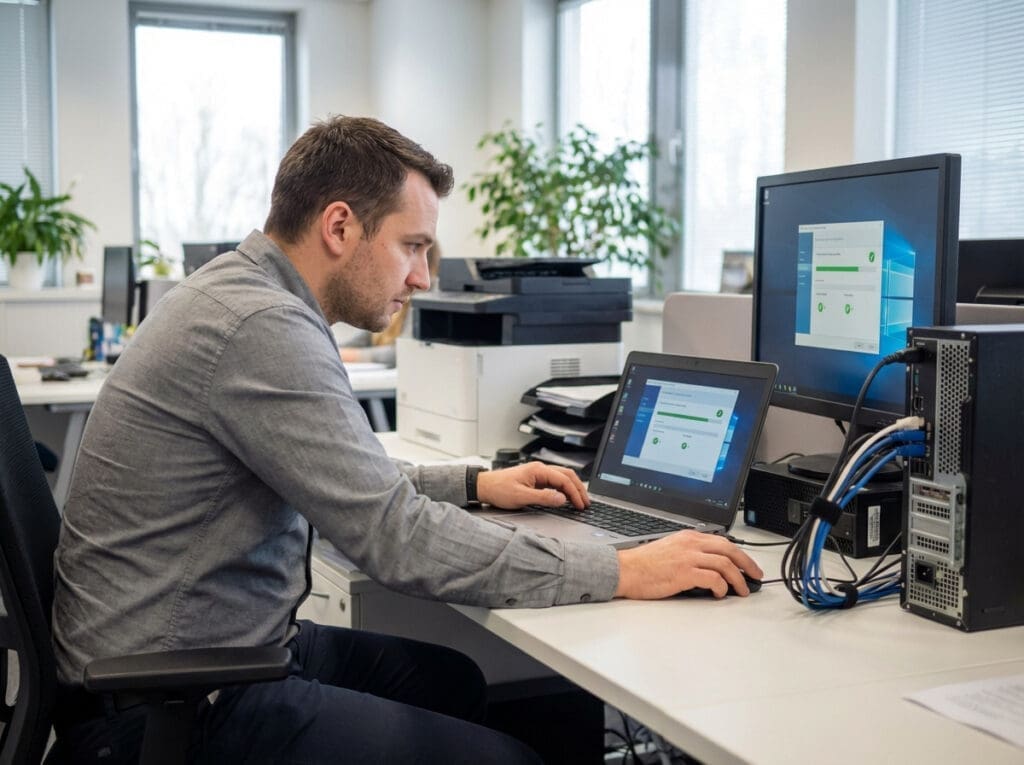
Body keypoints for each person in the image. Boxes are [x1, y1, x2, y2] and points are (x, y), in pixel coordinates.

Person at [51, 115, 762, 763]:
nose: (422, 277)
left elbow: (344, 475)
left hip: (196, 654)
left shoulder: (241, 293)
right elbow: (394, 537)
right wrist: (622, 568)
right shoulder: (261, 327)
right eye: (412, 246)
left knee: (456, 681)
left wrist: (476, 484)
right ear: (339, 226)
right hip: (169, 701)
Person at [337, 240, 442, 366]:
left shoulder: (427, 297)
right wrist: (333, 352)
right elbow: (362, 340)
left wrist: (349, 355)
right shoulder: (393, 298)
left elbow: (403, 353)